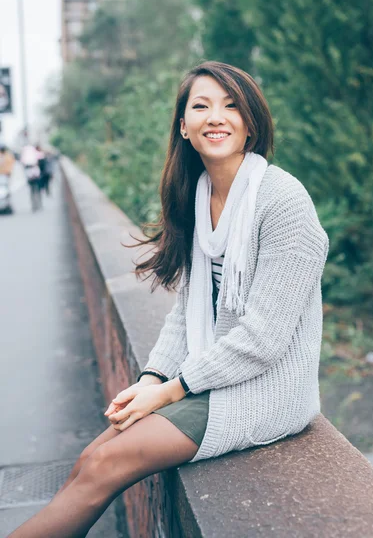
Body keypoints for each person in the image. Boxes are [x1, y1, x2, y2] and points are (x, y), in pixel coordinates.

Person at [9, 61, 329, 537]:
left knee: (105, 465)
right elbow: (185, 313)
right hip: (211, 377)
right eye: (201, 106)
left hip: (263, 391)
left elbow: (263, 340)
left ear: (251, 124)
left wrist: (170, 390)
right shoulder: (200, 195)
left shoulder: (283, 202)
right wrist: (151, 377)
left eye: (231, 106)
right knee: (90, 459)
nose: (216, 117)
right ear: (184, 126)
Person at [20, 143, 43, 211]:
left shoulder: (27, 160)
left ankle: (35, 204)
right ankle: (37, 204)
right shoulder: (35, 156)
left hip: (32, 176)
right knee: (36, 190)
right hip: (35, 176)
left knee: (33, 190)